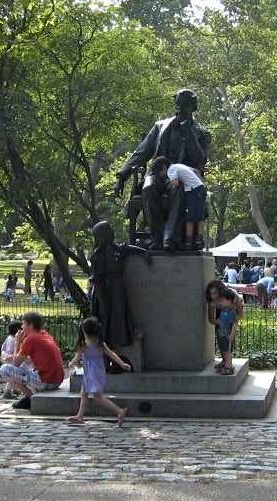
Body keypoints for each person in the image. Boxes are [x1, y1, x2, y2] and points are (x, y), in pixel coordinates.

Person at [113, 88, 211, 249]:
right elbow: (141, 153)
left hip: (183, 177)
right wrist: (122, 177)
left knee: (178, 189)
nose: (179, 108)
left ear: (193, 107)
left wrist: (188, 131)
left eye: (184, 105)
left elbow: (199, 160)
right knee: (148, 186)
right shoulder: (160, 126)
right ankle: (156, 238)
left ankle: (169, 240)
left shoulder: (202, 133)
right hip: (158, 173)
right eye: (177, 104)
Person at [89, 220, 149, 348]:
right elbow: (97, 280)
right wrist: (103, 303)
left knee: (119, 321)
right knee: (106, 322)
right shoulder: (99, 256)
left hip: (117, 289)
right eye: (110, 230)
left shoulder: (118, 249)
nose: (113, 232)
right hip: (105, 291)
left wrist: (144, 252)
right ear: (104, 235)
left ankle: (118, 353)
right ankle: (106, 355)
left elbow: (128, 248)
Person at [65, 317, 131, 426]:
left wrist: (71, 364)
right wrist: (122, 364)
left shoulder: (84, 345)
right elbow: (112, 354)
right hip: (97, 372)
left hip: (92, 373)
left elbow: (76, 358)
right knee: (84, 392)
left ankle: (119, 411)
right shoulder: (100, 344)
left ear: (84, 331)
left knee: (97, 397)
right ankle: (80, 415)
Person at [0, 311, 65, 409]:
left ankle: (31, 398)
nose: (22, 327)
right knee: (26, 366)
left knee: (4, 369)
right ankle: (31, 396)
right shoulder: (44, 334)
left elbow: (16, 363)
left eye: (24, 324)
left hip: (47, 382)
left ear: (30, 325)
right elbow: (28, 360)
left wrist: (17, 343)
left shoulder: (31, 339)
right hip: (57, 380)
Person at [149, 156, 206, 250]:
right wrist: (200, 183)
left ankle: (189, 241)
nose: (162, 176)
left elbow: (175, 183)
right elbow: (197, 171)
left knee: (189, 217)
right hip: (199, 189)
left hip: (194, 191)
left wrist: (168, 186)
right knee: (200, 216)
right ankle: (199, 240)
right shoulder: (178, 165)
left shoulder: (171, 170)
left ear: (163, 168)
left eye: (160, 173)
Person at [205, 279, 244, 369]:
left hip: (232, 312)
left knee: (228, 341)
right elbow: (211, 318)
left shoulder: (232, 297)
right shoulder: (212, 302)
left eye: (216, 293)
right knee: (220, 338)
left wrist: (231, 322)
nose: (214, 296)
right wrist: (218, 322)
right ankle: (224, 361)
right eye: (212, 294)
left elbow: (240, 313)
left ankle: (228, 364)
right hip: (221, 316)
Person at [214, 288, 239, 376]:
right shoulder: (223, 309)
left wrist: (232, 334)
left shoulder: (231, 311)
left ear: (229, 301)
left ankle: (229, 366)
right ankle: (226, 365)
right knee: (224, 350)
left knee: (228, 351)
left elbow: (235, 322)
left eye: (222, 301)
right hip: (222, 333)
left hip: (228, 335)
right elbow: (215, 305)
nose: (220, 303)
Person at [0, 320, 23, 398]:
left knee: (12, 375)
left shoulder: (8, 338)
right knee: (13, 376)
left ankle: (15, 389)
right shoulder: (17, 339)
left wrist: (3, 355)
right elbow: (19, 350)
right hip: (13, 358)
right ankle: (8, 391)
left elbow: (3, 347)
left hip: (6, 358)